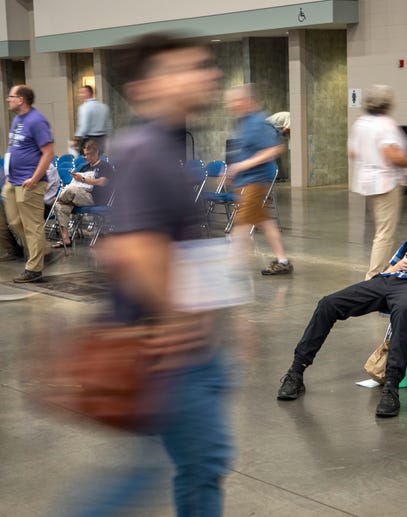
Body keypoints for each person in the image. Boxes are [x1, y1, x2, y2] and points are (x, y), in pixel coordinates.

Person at [68, 33, 234, 515]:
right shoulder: (146, 151)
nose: (207, 74)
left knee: (188, 466)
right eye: (188, 66)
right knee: (196, 465)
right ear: (146, 88)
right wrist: (180, 319)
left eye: (204, 65)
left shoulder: (166, 147)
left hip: (183, 346)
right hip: (170, 352)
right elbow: (130, 250)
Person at [277, 201, 407, 417]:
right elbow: (388, 271)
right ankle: (296, 371)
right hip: (389, 281)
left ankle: (391, 388)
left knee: (403, 312)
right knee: (328, 304)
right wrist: (401, 266)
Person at [349, 85, 407, 280]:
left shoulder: (361, 123)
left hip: (367, 183)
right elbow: (393, 156)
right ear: (388, 104)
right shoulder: (385, 124)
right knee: (385, 232)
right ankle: (374, 277)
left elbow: (352, 152)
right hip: (385, 183)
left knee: (380, 229)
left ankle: (382, 269)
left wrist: (370, 156)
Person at [224, 84, 293, 275]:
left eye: (233, 101)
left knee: (241, 224)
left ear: (245, 100)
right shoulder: (243, 122)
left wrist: (241, 166)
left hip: (255, 181)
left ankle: (232, 268)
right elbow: (245, 150)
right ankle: (283, 260)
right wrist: (232, 169)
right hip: (244, 180)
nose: (229, 105)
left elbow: (274, 149)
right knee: (265, 221)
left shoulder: (258, 122)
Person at [2, 84, 55, 283]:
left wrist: (34, 178)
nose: (8, 99)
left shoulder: (36, 121)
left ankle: (34, 268)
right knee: (15, 221)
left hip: (29, 183)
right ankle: (43, 249)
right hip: (13, 181)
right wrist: (9, 173)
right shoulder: (17, 120)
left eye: (11, 96)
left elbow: (48, 152)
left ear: (21, 99)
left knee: (32, 225)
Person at [51, 139, 113, 248]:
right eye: (85, 155)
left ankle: (56, 198)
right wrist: (76, 179)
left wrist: (83, 179)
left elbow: (103, 182)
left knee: (69, 191)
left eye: (88, 154)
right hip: (79, 195)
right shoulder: (85, 167)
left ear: (96, 152)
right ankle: (66, 239)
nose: (86, 157)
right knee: (60, 205)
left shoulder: (104, 166)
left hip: (95, 198)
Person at [73, 85, 112, 155]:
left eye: (82, 93)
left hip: (89, 141)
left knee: (85, 163)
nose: (80, 95)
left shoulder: (84, 107)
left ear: (89, 93)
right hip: (102, 140)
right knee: (100, 161)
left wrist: (76, 140)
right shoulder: (104, 107)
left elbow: (84, 127)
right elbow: (108, 125)